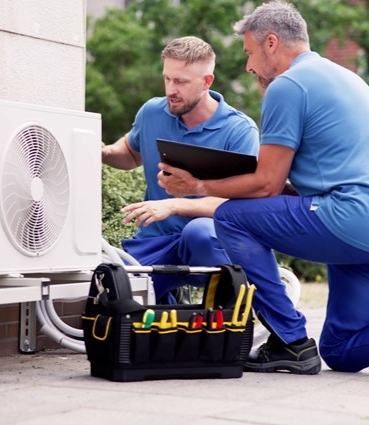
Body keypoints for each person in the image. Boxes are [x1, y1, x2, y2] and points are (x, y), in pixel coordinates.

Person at [158, 0, 369, 375]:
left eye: (249, 52)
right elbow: (314, 177)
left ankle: (292, 341)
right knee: (342, 351)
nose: (249, 66)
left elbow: (267, 186)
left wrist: (196, 185)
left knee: (232, 218)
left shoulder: (288, 85)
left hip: (346, 216)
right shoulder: (348, 77)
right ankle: (304, 346)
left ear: (271, 42)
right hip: (354, 227)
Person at [102, 36, 259, 304]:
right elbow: (129, 154)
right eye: (168, 79)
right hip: (155, 239)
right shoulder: (152, 112)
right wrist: (100, 152)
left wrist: (174, 206)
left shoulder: (239, 131)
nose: (171, 90)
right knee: (115, 292)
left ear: (207, 82)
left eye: (181, 82)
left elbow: (241, 203)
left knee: (197, 233)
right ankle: (169, 303)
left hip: (210, 240)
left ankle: (235, 306)